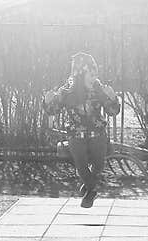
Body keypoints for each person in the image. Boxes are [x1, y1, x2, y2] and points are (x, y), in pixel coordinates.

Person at [43, 52, 120, 208]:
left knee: (99, 165)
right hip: (75, 135)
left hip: (97, 133)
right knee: (81, 164)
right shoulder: (68, 90)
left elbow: (112, 112)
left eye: (95, 74)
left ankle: (88, 184)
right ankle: (91, 191)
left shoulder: (98, 88)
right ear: (80, 74)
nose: (94, 77)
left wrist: (113, 99)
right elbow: (53, 110)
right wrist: (47, 101)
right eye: (90, 74)